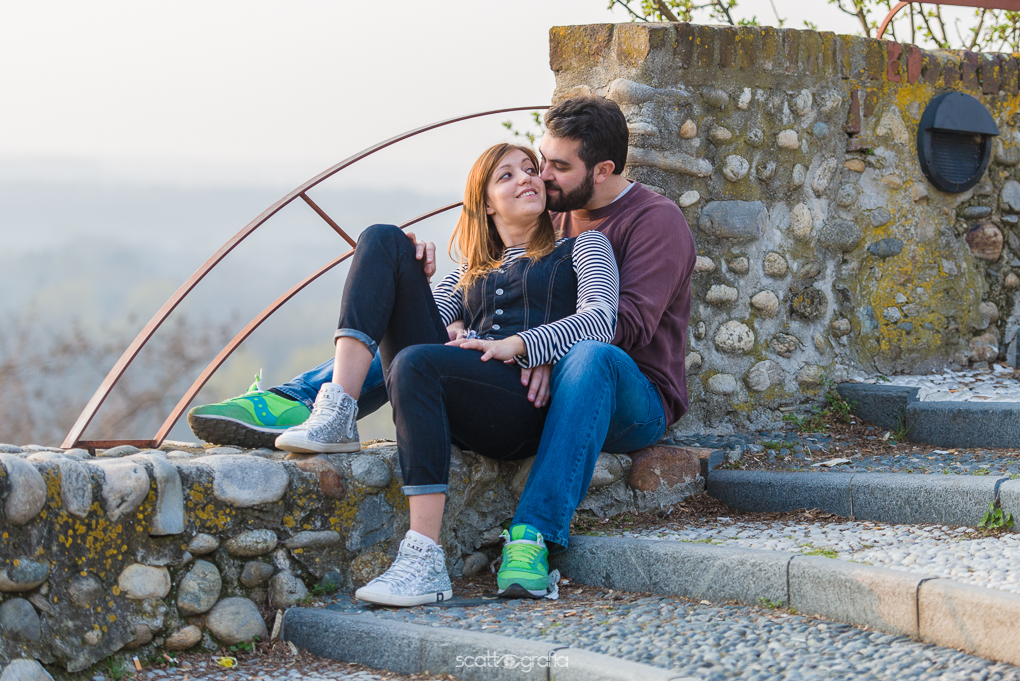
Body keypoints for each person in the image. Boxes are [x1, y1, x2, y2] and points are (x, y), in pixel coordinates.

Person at [187, 95, 696, 601]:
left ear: (602, 170)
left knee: (589, 355)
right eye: (531, 165)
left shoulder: (650, 223)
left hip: (629, 392)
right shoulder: (551, 209)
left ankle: (531, 534)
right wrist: (432, 302)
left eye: (554, 167)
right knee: (388, 248)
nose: (538, 177)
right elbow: (478, 292)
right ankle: (316, 403)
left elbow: (615, 324)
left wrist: (536, 350)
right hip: (527, 373)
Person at [262, 141, 619, 606]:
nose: (527, 178)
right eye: (506, 175)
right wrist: (419, 279)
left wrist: (524, 345)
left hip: (521, 409)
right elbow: (431, 322)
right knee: (385, 239)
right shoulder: (469, 269)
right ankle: (338, 410)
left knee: (415, 362)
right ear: (485, 204)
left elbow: (600, 319)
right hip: (462, 396)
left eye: (530, 169)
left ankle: (423, 558)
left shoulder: (583, 245)